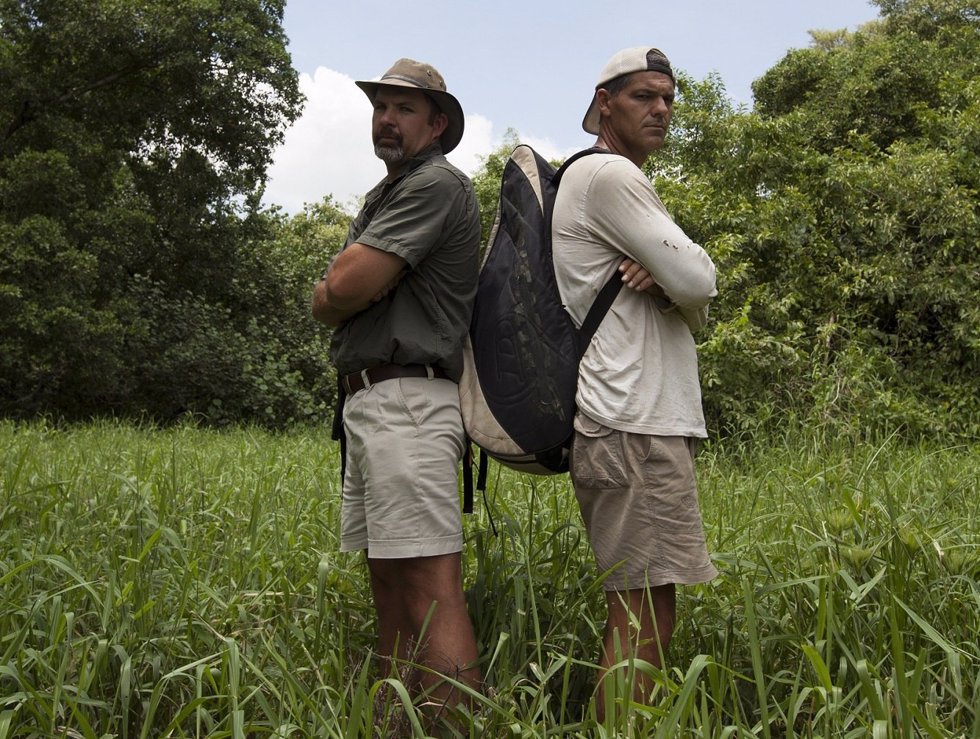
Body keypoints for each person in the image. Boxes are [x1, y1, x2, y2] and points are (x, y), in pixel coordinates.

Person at [311, 58, 481, 716]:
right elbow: (346, 284)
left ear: (437, 124)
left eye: (404, 108)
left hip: (409, 399)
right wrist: (338, 286)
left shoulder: (435, 184)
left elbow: (342, 288)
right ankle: (398, 726)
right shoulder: (389, 192)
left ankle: (455, 726)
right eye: (381, 106)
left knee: (429, 583)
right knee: (389, 581)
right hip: (373, 402)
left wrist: (333, 289)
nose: (386, 118)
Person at [551, 47, 719, 717]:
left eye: (669, 98)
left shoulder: (598, 180)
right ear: (604, 103)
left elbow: (685, 286)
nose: (661, 108)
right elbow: (700, 281)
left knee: (648, 609)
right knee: (644, 621)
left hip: (627, 422)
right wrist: (681, 286)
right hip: (633, 422)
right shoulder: (611, 176)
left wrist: (677, 285)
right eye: (644, 95)